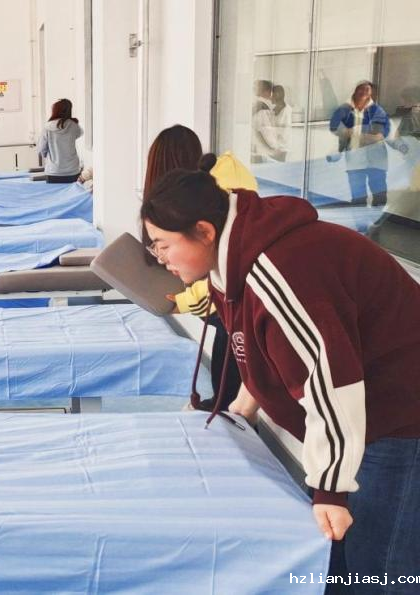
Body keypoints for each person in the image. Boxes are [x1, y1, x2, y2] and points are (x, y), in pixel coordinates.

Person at [141, 168, 420, 593]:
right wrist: (240, 410)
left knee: (381, 567)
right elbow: (257, 345)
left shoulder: (278, 269)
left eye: (163, 245)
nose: (159, 258)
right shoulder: (230, 263)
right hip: (360, 418)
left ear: (204, 231)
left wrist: (330, 489)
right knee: (339, 560)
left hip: (398, 415)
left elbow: (331, 382)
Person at [143, 124, 249, 412]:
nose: (163, 258)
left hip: (219, 299)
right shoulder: (194, 198)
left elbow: (225, 266)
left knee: (232, 338)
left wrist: (186, 301)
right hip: (216, 299)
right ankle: (223, 405)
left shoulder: (216, 196)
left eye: (164, 246)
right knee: (230, 339)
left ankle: (224, 406)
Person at [329, 81, 391, 206]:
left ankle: (377, 217)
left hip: (376, 159)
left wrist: (355, 133)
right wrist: (344, 138)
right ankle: (358, 217)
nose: (364, 93)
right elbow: (335, 127)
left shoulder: (378, 111)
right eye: (361, 89)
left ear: (372, 94)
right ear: (355, 91)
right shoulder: (344, 110)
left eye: (367, 90)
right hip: (355, 159)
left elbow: (381, 134)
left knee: (379, 195)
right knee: (358, 197)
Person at [37, 98, 84, 183]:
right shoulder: (74, 125)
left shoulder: (47, 127)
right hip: (72, 171)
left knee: (54, 192)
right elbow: (80, 133)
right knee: (73, 191)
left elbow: (41, 149)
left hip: (53, 171)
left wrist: (48, 155)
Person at [251, 80, 286, 163]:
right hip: (266, 153)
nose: (272, 96)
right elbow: (266, 132)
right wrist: (275, 148)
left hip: (259, 151)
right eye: (272, 92)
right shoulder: (262, 109)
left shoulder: (256, 106)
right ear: (267, 92)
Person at [272, 85, 292, 162]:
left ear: (277, 95)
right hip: (273, 147)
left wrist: (279, 147)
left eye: (272, 95)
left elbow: (285, 131)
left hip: (280, 148)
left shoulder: (287, 110)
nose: (270, 97)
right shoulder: (274, 109)